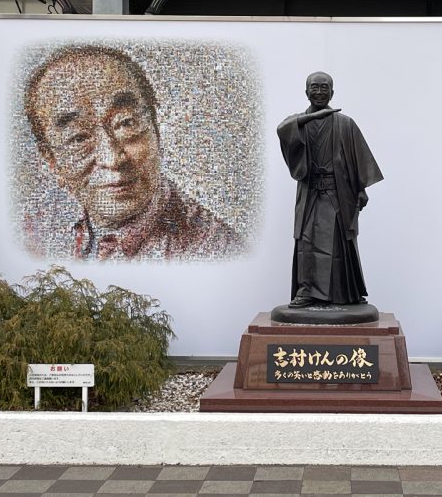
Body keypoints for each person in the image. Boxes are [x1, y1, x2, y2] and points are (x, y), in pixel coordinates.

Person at [23, 45, 241, 260]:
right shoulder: (36, 236)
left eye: (126, 123)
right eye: (79, 138)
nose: (112, 159)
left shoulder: (217, 251)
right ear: (52, 161)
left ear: (155, 129)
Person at [277, 71, 383, 308]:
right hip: (310, 193)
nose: (319, 92)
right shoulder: (298, 123)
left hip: (337, 195)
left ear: (332, 92)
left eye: (325, 87)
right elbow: (283, 130)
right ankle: (306, 292)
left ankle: (342, 293)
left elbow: (359, 161)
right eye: (314, 87)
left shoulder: (345, 124)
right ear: (306, 92)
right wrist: (308, 119)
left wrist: (361, 189)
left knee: (336, 245)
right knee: (307, 242)